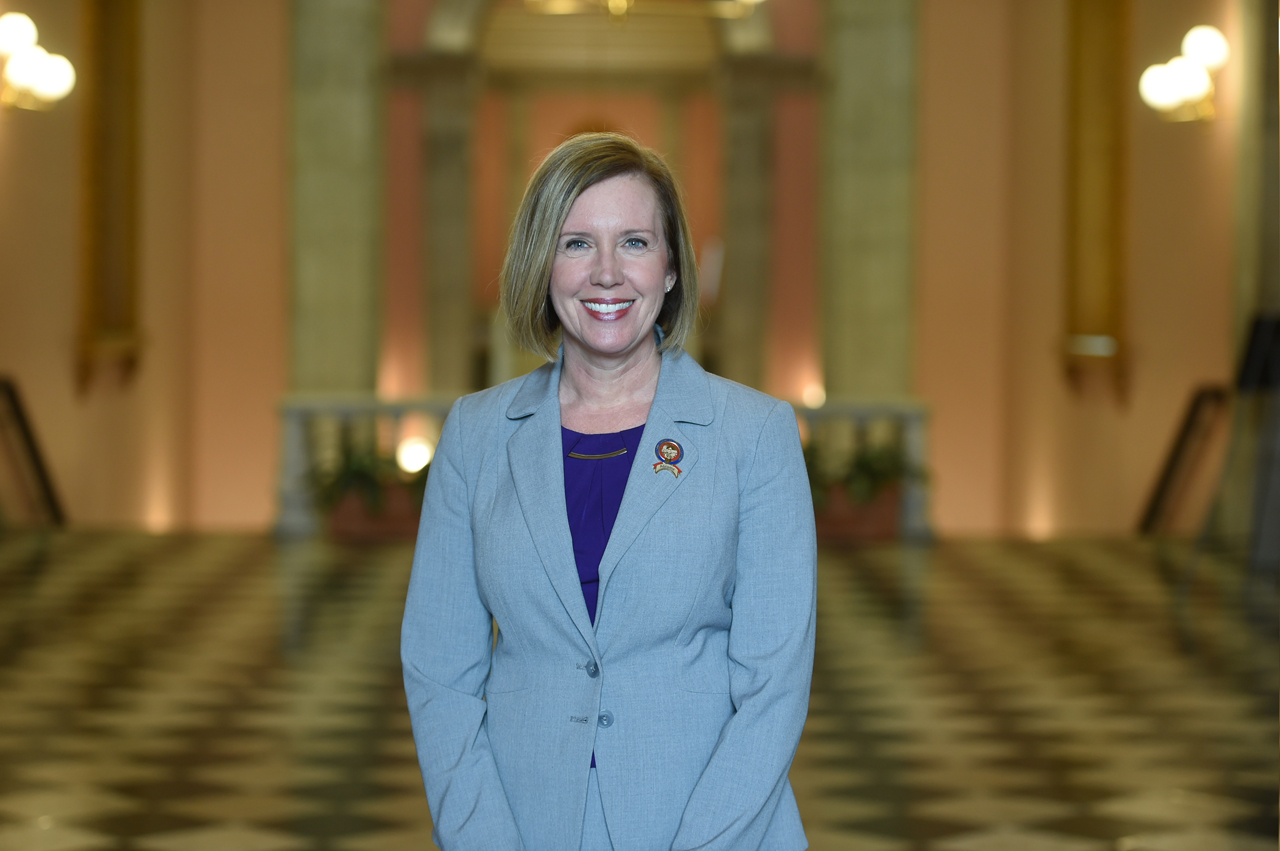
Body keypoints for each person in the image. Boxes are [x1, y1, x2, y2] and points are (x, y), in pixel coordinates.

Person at [401, 132, 816, 851]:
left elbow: (773, 689)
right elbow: (439, 673)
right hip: (521, 825)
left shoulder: (755, 434)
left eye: (633, 241)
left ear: (672, 266)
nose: (606, 274)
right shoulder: (474, 435)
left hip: (713, 826)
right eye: (575, 244)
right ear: (542, 264)